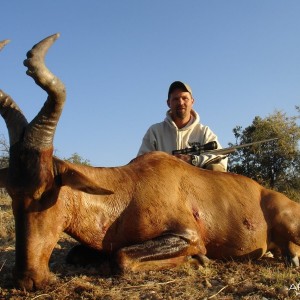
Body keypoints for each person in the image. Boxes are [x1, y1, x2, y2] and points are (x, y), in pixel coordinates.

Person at [137, 81, 227, 172]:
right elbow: (140, 163)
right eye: (176, 99)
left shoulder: (204, 132)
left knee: (216, 169)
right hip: (165, 183)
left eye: (185, 98)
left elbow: (221, 158)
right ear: (168, 103)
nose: (180, 102)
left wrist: (193, 160)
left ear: (192, 101)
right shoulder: (155, 131)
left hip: (196, 184)